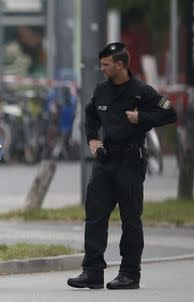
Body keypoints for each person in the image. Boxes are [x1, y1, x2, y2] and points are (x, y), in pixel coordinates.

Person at [67, 42, 177, 290]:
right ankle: (92, 271)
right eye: (101, 63)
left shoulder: (142, 91)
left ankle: (130, 273)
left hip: (131, 161)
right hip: (106, 161)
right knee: (95, 215)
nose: (101, 68)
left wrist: (142, 118)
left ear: (120, 65)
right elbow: (91, 116)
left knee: (130, 219)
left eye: (106, 64)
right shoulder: (101, 90)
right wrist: (93, 139)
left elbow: (170, 113)